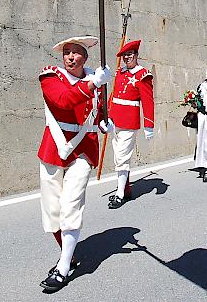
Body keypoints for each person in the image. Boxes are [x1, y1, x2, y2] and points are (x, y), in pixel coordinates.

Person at [37, 36, 112, 292]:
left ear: (85, 57)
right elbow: (63, 101)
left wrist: (104, 123)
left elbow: (99, 111)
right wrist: (93, 84)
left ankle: (63, 267)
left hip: (83, 151)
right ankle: (68, 254)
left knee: (71, 205)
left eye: (76, 52)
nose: (70, 57)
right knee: (52, 211)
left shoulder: (96, 80)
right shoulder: (50, 76)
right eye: (66, 52)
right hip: (54, 148)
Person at [107, 40, 155, 209]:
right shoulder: (120, 72)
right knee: (118, 157)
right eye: (124, 56)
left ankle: (120, 194)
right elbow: (113, 94)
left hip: (129, 121)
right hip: (115, 120)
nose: (127, 58)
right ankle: (126, 189)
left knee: (121, 157)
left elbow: (148, 101)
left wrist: (149, 124)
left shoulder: (143, 74)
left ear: (136, 55)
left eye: (130, 55)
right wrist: (108, 116)